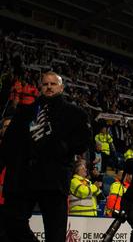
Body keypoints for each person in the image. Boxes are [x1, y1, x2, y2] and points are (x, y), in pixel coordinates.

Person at [0, 71, 92, 242]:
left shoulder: (75, 113)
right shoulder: (25, 112)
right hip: (25, 179)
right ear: (40, 87)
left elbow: (84, 140)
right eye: (45, 84)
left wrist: (64, 147)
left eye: (53, 84)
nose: (49, 87)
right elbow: (9, 142)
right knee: (12, 221)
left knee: (55, 233)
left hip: (54, 180)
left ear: (61, 87)